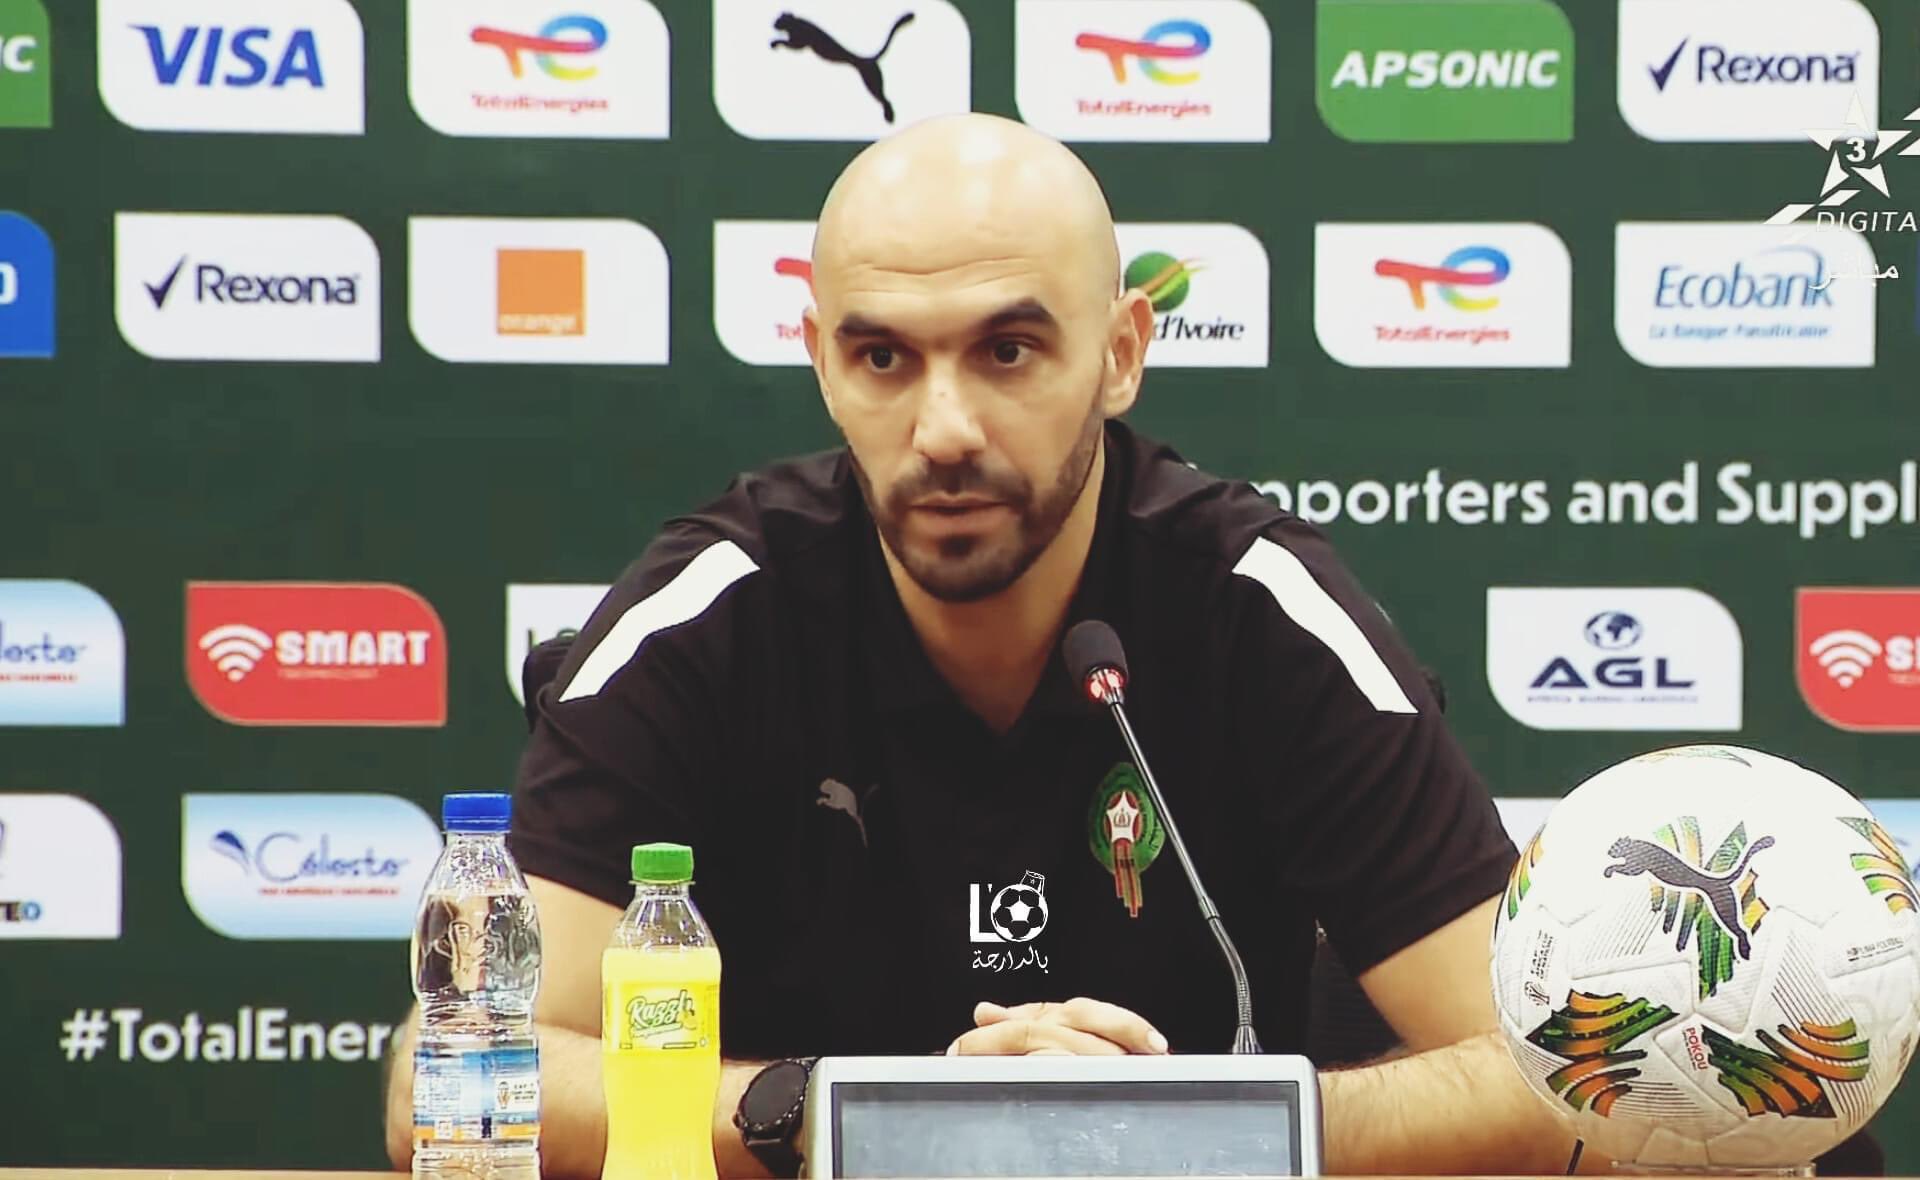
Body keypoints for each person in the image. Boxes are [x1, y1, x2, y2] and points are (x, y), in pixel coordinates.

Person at [385, 113, 1577, 1177]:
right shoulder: (710, 614)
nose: (944, 429)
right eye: (883, 358)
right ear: (821, 360)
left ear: (1120, 353)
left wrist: (1191, 1128)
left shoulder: (1259, 611)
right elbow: (451, 1079)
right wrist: (857, 1113)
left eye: (1007, 351)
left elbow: (1568, 1083)